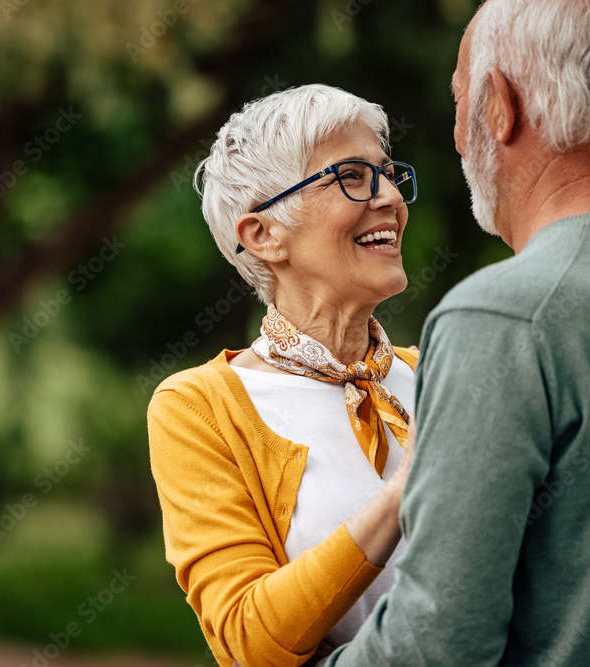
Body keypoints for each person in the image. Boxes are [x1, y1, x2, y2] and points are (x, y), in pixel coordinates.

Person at [323, 0, 590, 665]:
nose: (455, 135)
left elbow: (438, 642)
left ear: (499, 106)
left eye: (459, 100)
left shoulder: (501, 317)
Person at [146, 84, 422, 666]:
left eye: (388, 172)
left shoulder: (441, 368)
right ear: (263, 235)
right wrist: (406, 492)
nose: (390, 199)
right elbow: (250, 642)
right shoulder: (199, 408)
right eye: (351, 175)